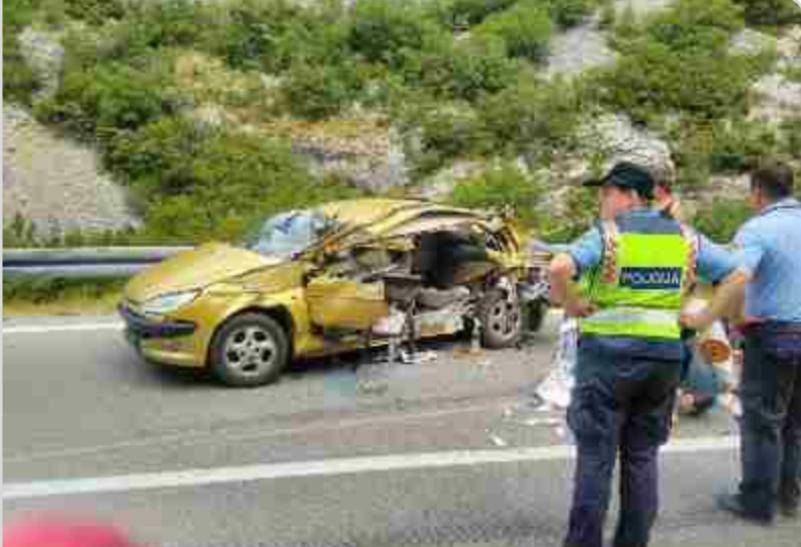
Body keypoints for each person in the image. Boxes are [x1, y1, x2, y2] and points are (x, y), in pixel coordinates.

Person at [549, 161, 740, 547]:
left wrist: (571, 304)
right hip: (663, 361)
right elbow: (737, 274)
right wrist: (705, 316)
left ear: (632, 196)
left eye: (607, 193)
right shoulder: (686, 238)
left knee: (596, 459)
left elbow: (558, 267)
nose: (602, 201)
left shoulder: (606, 236)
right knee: (641, 457)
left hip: (606, 359)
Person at [683, 160, 801, 523]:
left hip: (775, 335)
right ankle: (789, 496)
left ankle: (756, 502)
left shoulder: (757, 229)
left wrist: (709, 318)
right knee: (794, 421)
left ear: (758, 193)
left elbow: (735, 278)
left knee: (762, 420)